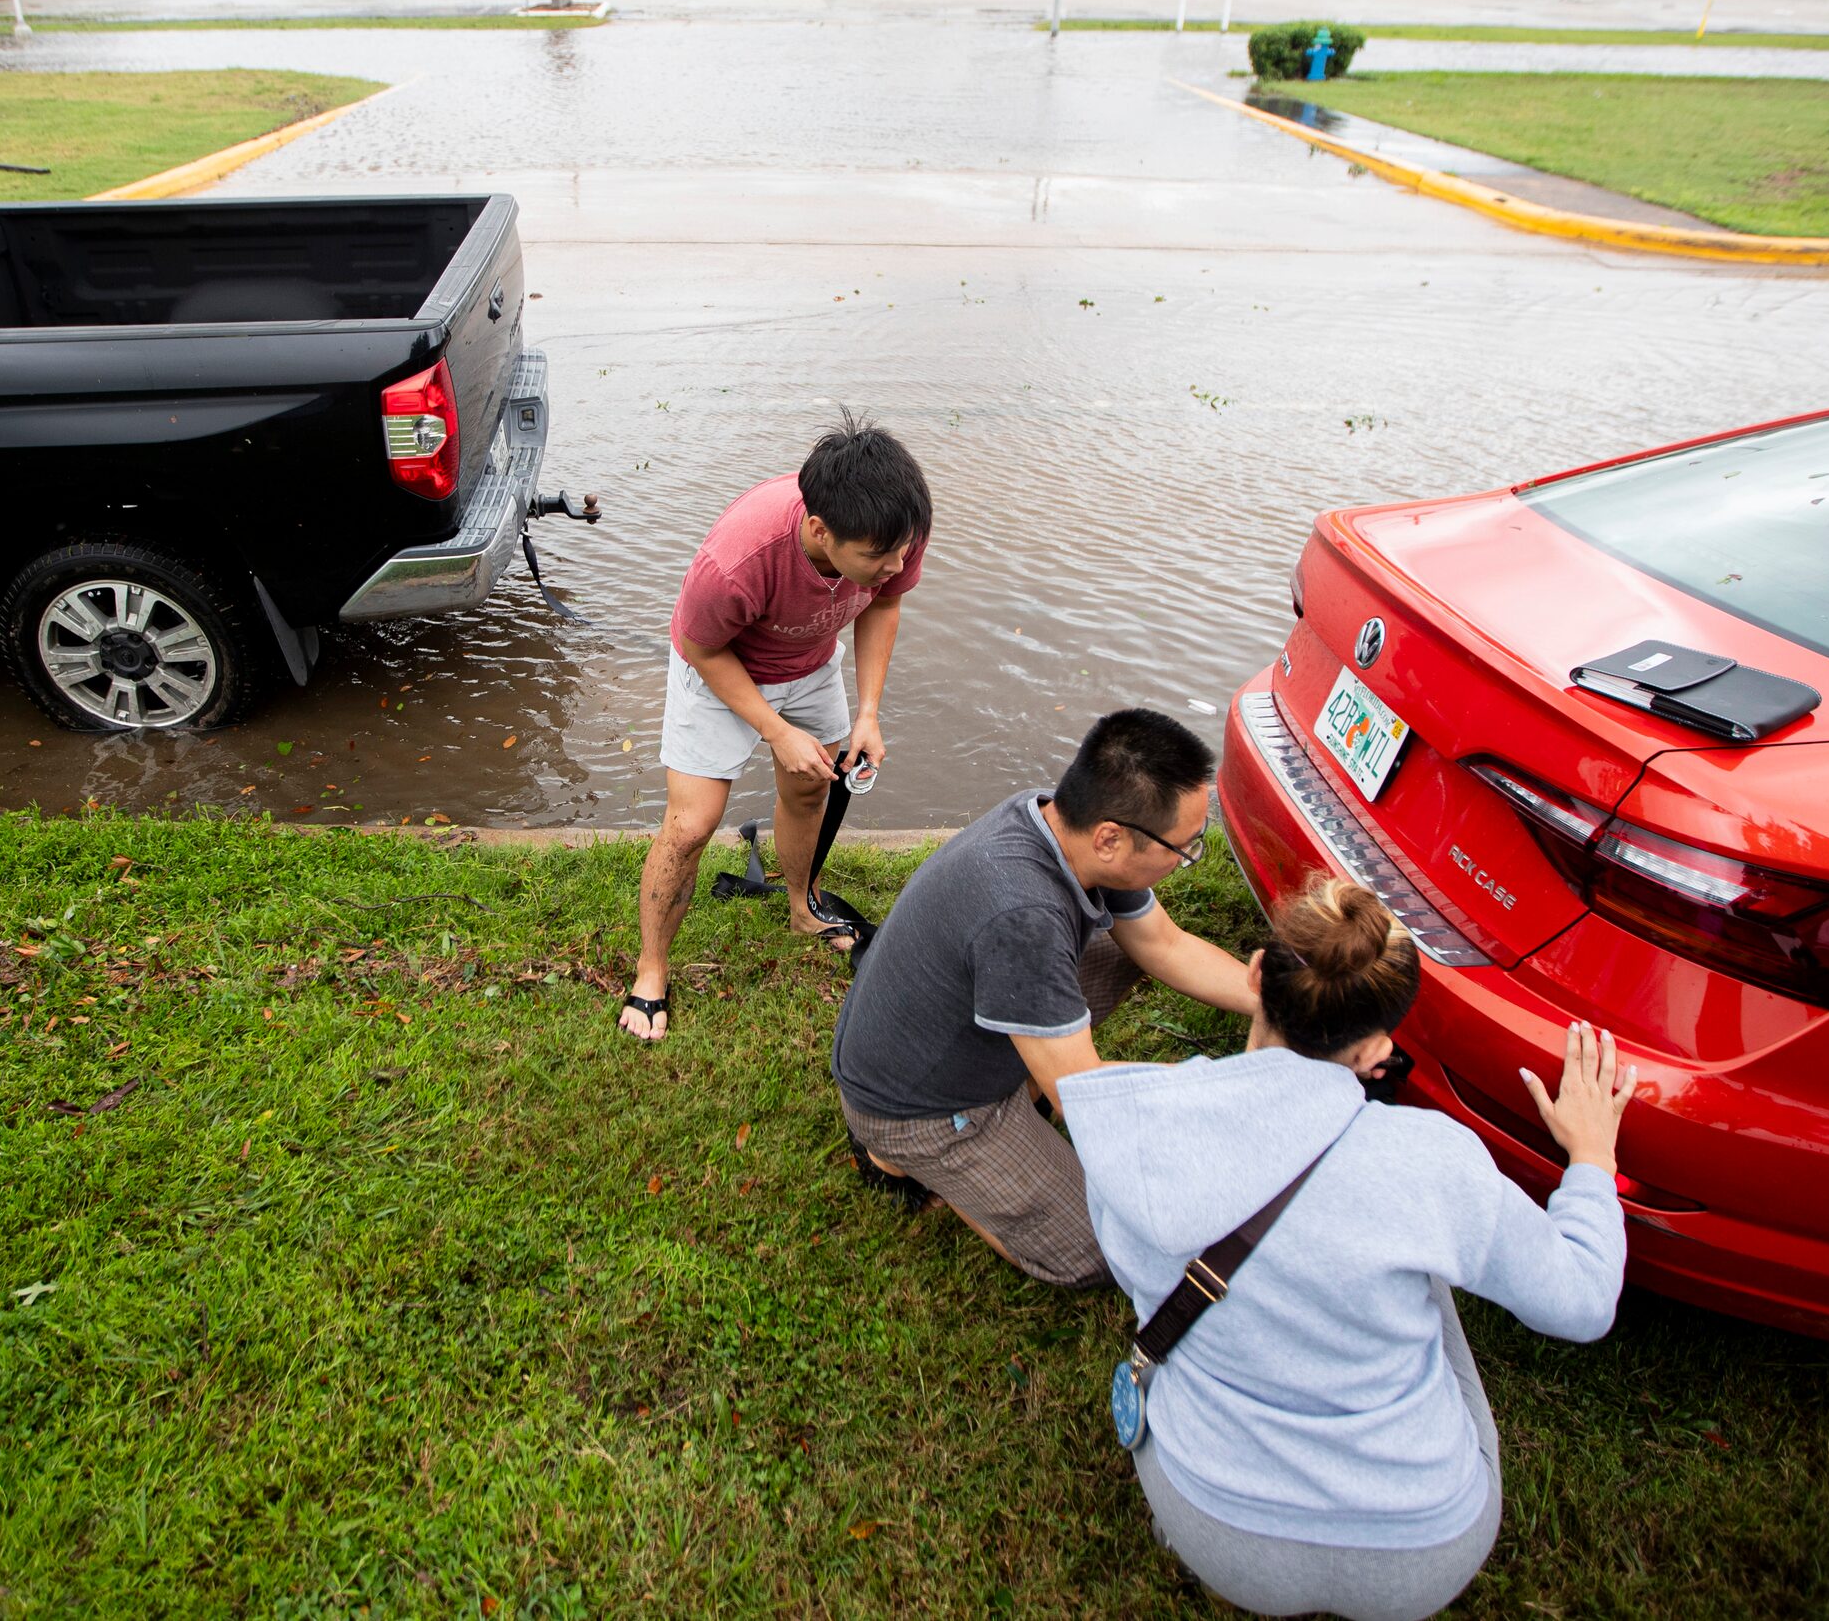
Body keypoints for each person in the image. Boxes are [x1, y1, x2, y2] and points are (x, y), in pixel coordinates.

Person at [1059, 876, 1638, 1621]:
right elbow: (1583, 1304)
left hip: (1221, 1537)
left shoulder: (1132, 1120)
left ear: (1255, 974)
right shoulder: (1433, 1161)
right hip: (1420, 1555)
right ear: (1375, 1050)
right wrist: (1590, 1159)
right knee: (1427, 1262)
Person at [829, 708, 1260, 1286]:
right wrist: (1247, 1095)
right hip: (917, 1106)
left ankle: (1017, 1096)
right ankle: (904, 1158)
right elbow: (1084, 1093)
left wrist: (1279, 1005)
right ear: (1111, 837)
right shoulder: (1023, 914)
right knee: (1104, 1251)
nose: (1187, 859)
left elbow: (1164, 945)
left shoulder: (1056, 820)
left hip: (965, 1029)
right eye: (1184, 848)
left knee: (1123, 949)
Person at [618, 417, 931, 1041]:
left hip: (811, 662)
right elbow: (700, 649)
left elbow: (886, 602)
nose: (896, 565)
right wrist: (774, 731)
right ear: (820, 530)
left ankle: (802, 910)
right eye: (877, 557)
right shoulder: (738, 562)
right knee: (691, 825)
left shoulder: (895, 530)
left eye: (902, 551)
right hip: (720, 665)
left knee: (812, 787)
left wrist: (868, 711)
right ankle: (651, 971)